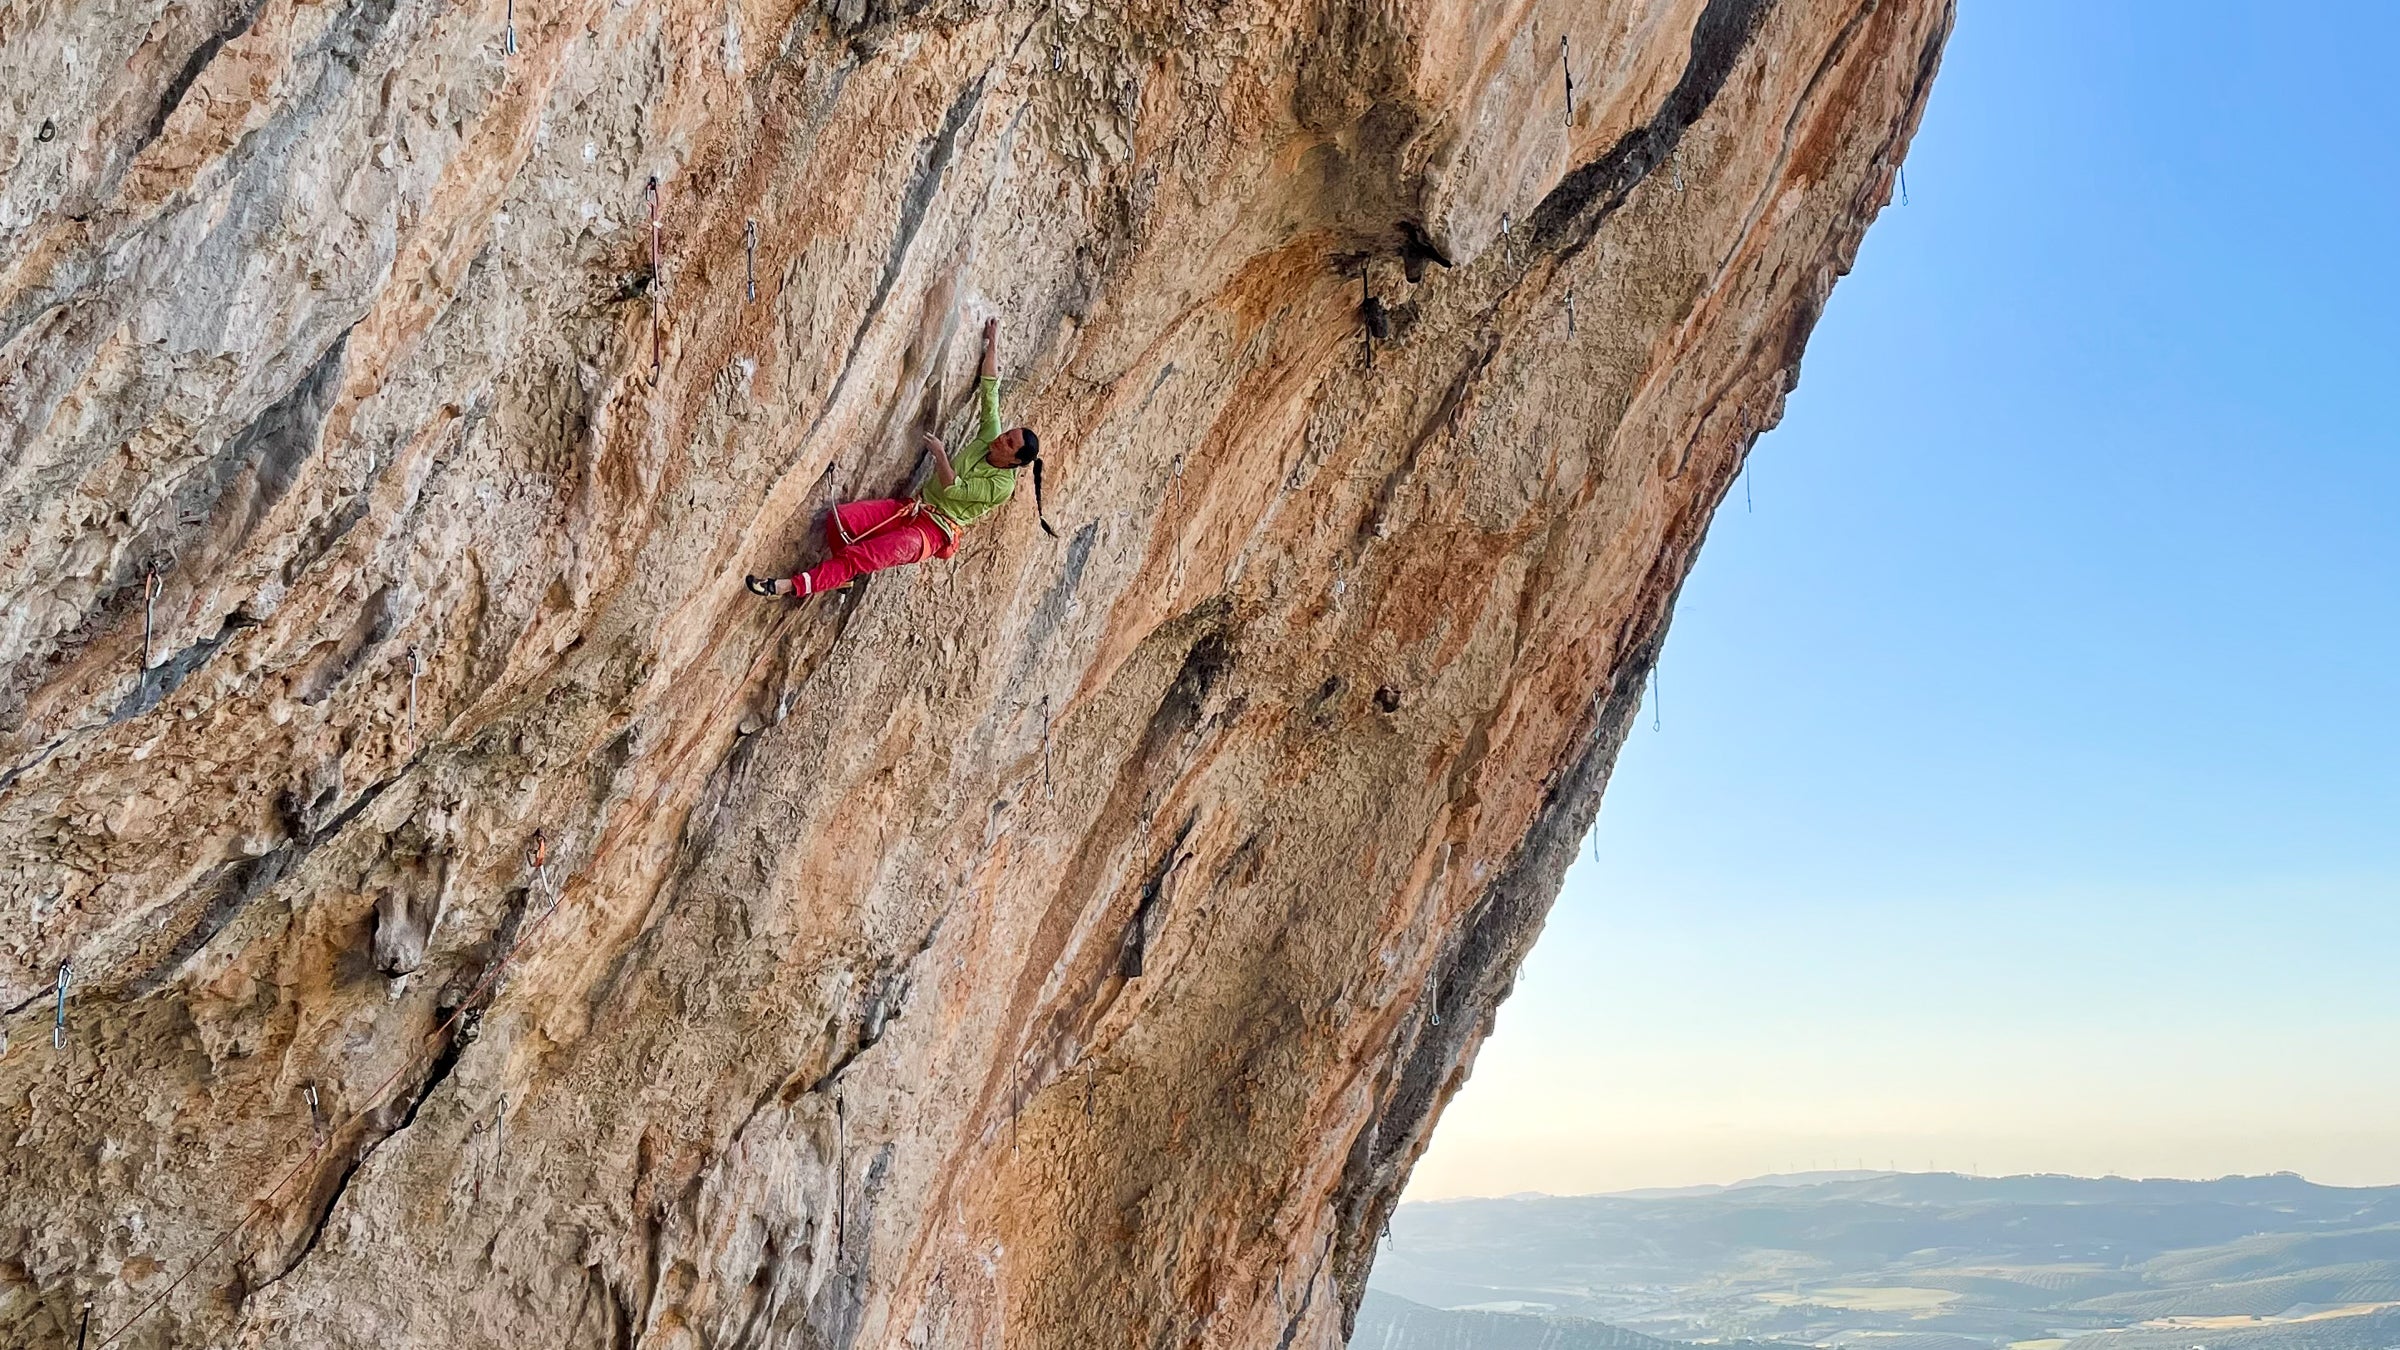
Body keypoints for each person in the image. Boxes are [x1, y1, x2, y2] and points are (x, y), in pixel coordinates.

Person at [748, 317, 1052, 600]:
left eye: (1008, 442)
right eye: (1006, 434)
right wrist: (993, 342)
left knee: (860, 557)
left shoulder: (1002, 486)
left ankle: (790, 586)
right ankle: (841, 577)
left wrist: (941, 455)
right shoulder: (991, 437)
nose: (1000, 439)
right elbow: (990, 392)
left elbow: (955, 490)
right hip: (912, 509)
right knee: (840, 520)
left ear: (1014, 461)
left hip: (932, 533)